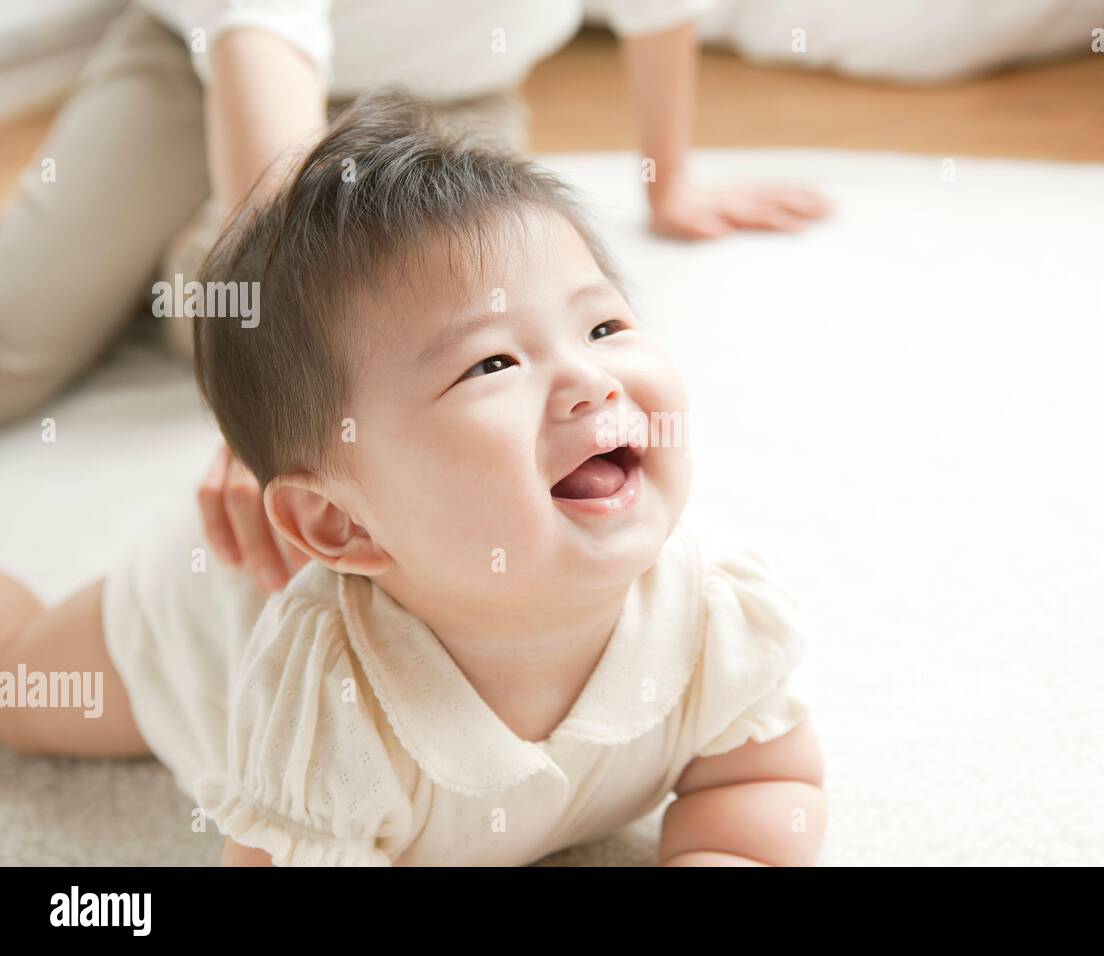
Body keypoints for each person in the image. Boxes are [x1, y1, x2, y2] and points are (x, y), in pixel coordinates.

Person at [0, 93, 825, 866]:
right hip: (212, 603)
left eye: (603, 324)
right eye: (492, 363)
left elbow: (763, 780)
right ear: (340, 524)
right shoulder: (329, 706)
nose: (591, 380)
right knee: (22, 689)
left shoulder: (713, 607)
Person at [0, 0, 831, 591]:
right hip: (208, 68)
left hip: (445, 102)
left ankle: (202, 260)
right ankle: (212, 246)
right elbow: (261, 32)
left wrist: (669, 175)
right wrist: (273, 401)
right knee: (20, 334)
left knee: (340, 334)